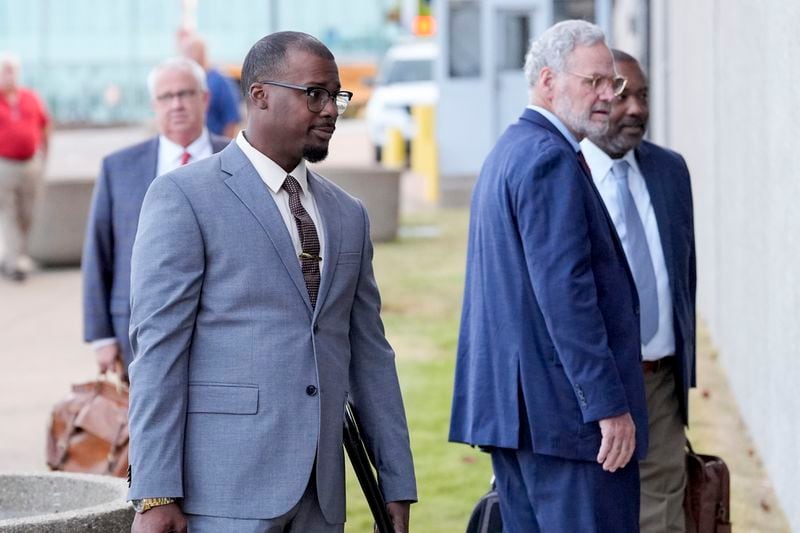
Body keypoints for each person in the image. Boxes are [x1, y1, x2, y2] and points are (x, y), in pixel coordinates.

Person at [126, 31, 416, 533]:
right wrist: (155, 493)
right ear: (260, 95)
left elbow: (370, 353)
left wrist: (394, 479)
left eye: (336, 97)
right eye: (315, 94)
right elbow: (159, 352)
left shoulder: (349, 215)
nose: (330, 109)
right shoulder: (184, 197)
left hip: (321, 498)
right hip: (221, 494)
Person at [449, 20, 648, 532]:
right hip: (567, 426)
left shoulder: (510, 151)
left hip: (525, 418)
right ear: (547, 80)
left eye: (614, 82)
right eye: (594, 82)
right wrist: (608, 407)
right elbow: (567, 296)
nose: (607, 95)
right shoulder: (547, 159)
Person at [582, 50, 696, 532]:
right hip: (589, 385)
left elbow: (683, 273)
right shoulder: (564, 174)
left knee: (663, 509)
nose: (637, 109)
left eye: (644, 96)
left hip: (658, 382)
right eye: (625, 96)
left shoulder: (671, 171)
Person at [82, 57, 229, 378]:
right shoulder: (118, 169)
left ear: (204, 99)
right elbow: (99, 252)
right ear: (154, 104)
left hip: (226, 331)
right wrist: (101, 336)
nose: (176, 104)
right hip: (139, 332)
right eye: (166, 97)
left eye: (185, 94)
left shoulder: (241, 161)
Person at [0, 52, 49, 282]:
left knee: (26, 214)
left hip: (30, 163)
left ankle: (20, 255)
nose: (9, 74)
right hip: (4, 164)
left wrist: (44, 156)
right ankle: (14, 262)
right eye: (5, 70)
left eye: (12, 70)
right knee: (8, 213)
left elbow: (45, 126)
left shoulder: (30, 97)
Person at [180, 33, 241, 139]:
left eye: (191, 50)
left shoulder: (221, 81)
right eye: (185, 51)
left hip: (215, 146)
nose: (187, 55)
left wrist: (224, 150)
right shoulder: (182, 81)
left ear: (203, 52)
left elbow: (231, 120)